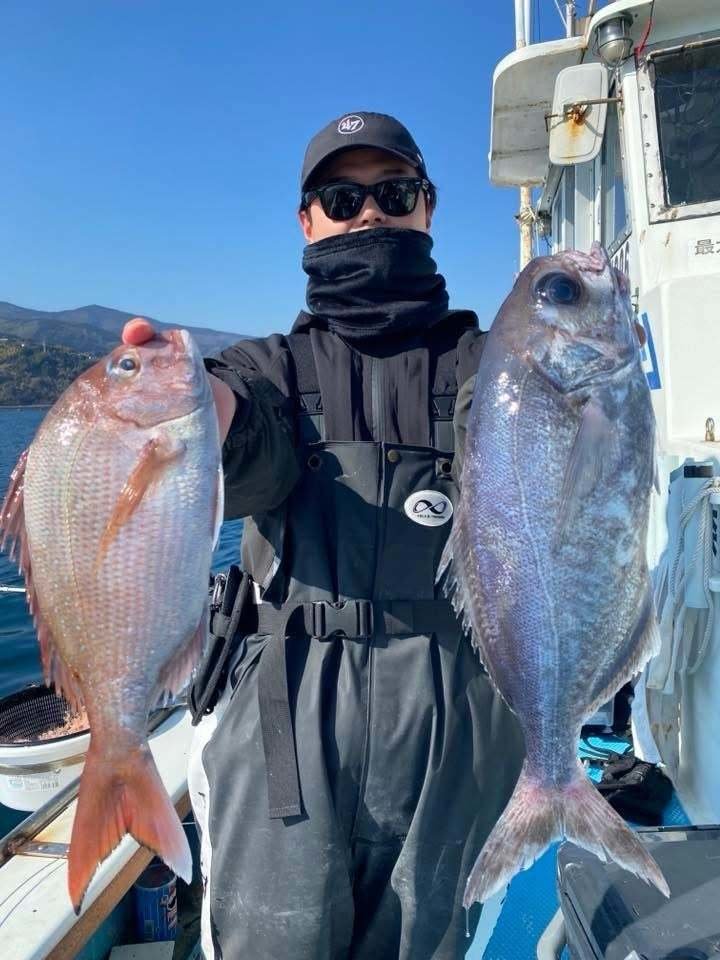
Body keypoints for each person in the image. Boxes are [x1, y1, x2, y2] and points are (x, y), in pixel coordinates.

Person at [122, 111, 524, 960]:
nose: (369, 212)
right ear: (308, 222)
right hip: (284, 716)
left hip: (457, 719)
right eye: (343, 199)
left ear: (428, 206)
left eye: (394, 192)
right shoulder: (266, 368)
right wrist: (200, 410)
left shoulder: (496, 366)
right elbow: (250, 458)